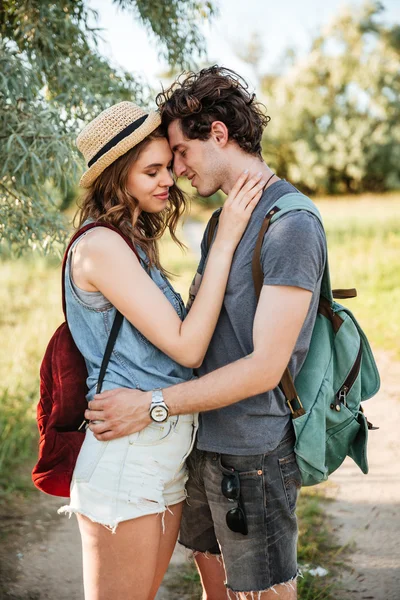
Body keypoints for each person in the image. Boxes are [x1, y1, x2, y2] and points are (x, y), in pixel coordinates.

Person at [85, 68, 327, 600]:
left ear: (217, 135)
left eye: (180, 152)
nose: (176, 169)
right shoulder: (223, 223)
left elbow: (266, 366)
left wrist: (152, 403)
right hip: (202, 442)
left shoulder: (291, 223)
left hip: (254, 454)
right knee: (214, 591)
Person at [57, 100, 264, 600]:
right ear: (115, 177)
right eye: (151, 171)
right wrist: (227, 238)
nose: (168, 180)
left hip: (159, 455)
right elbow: (188, 347)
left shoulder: (132, 242)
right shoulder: (101, 246)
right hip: (127, 458)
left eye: (168, 167)